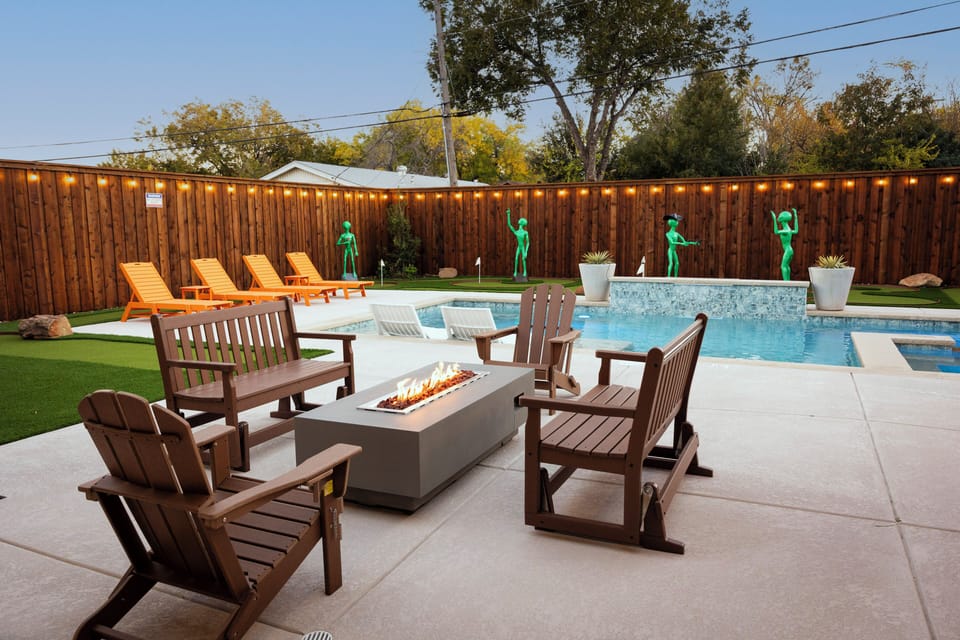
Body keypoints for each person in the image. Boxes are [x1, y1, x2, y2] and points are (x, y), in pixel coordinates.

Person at [664, 213, 698, 277]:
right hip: (670, 250)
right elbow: (672, 242)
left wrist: (694, 243)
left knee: (677, 263)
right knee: (671, 263)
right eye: (676, 221)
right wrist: (681, 243)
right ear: (673, 223)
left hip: (674, 251)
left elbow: (685, 242)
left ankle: (675, 277)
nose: (677, 222)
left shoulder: (677, 234)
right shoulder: (667, 234)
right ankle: (668, 277)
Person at [771, 208, 799, 281]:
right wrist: (795, 216)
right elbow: (796, 230)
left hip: (788, 250)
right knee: (787, 266)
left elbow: (776, 232)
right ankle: (788, 282)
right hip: (790, 250)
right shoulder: (789, 229)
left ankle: (786, 283)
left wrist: (774, 219)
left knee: (783, 266)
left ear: (782, 220)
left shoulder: (785, 230)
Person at [506, 208, 529, 279]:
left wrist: (526, 252)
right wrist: (508, 214)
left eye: (520, 223)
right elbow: (509, 225)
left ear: (522, 224)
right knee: (516, 258)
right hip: (519, 247)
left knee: (523, 259)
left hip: (523, 247)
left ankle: (525, 271)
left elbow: (528, 243)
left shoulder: (525, 232)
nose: (519, 225)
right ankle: (515, 271)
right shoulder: (516, 232)